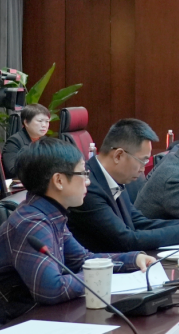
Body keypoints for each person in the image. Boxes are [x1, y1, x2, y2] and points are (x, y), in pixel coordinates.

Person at [0, 138, 155, 323]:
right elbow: (52, 289)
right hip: (15, 327)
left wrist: (133, 259)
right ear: (59, 180)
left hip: (41, 318)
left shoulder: (51, 214)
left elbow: (83, 259)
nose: (88, 182)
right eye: (83, 173)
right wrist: (99, 276)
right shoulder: (31, 223)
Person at [67, 119, 179, 253]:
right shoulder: (87, 187)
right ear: (118, 156)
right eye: (142, 161)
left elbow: (139, 222)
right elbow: (125, 240)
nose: (143, 169)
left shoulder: (114, 177)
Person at [1, 104, 51, 180]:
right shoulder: (14, 141)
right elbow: (12, 171)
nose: (44, 125)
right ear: (26, 122)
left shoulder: (45, 140)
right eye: (40, 121)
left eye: (47, 121)